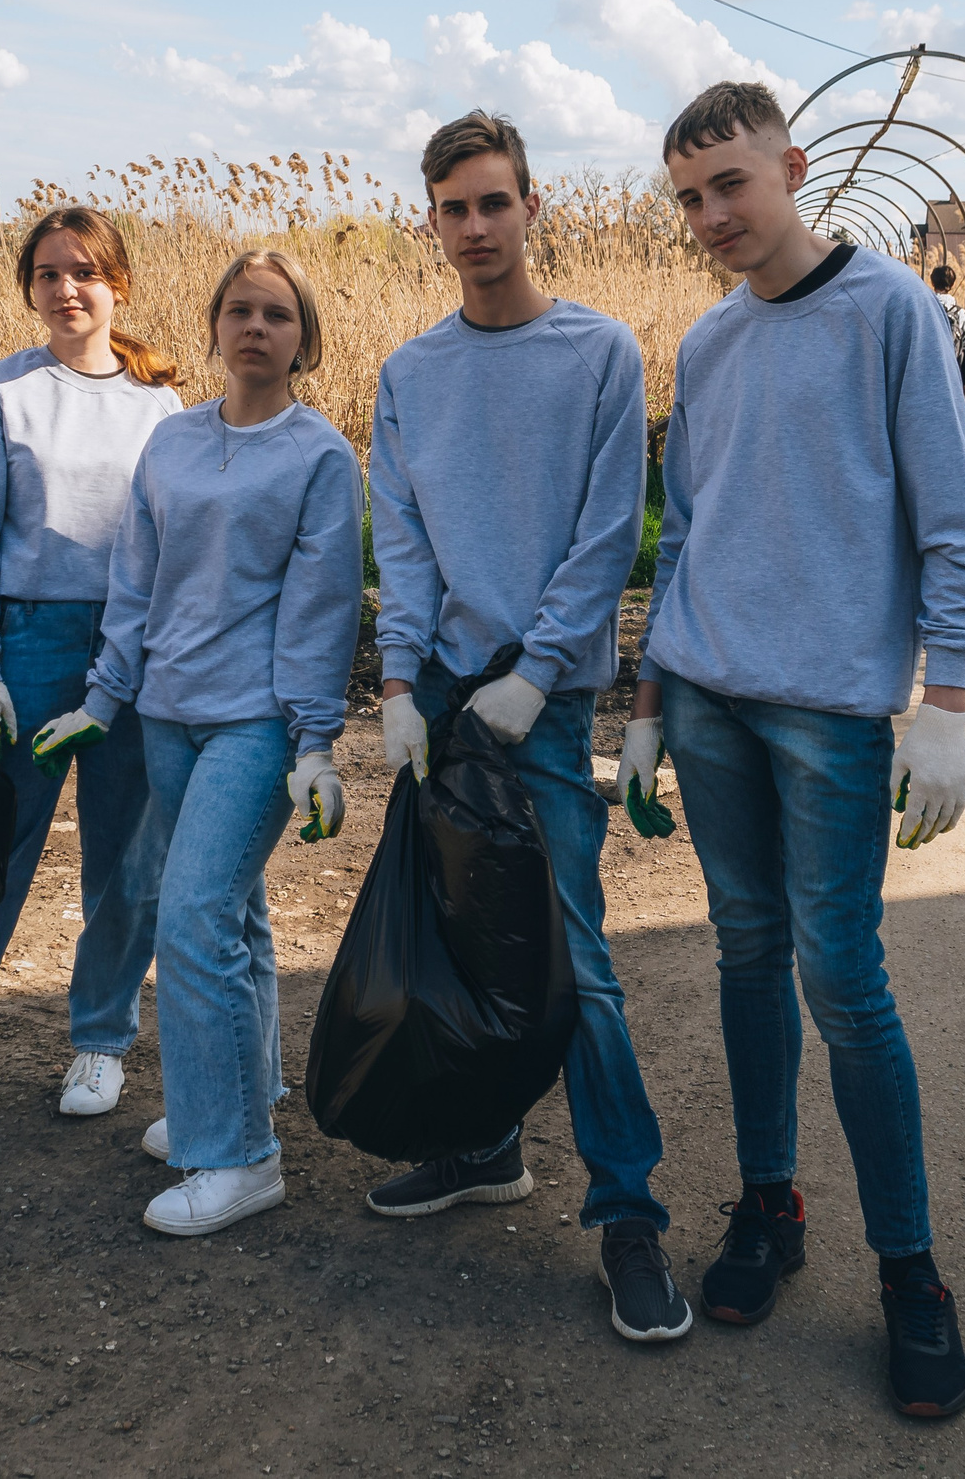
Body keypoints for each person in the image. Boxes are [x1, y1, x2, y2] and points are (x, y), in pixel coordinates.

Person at [624, 81, 965, 1415]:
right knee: (742, 950)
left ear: (789, 168)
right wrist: (653, 703)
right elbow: (685, 535)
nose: (712, 215)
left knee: (843, 978)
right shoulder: (711, 344)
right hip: (713, 698)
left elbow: (954, 525)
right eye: (688, 197)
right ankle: (771, 1204)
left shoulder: (888, 310)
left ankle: (911, 1269)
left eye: (730, 184)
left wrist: (943, 702)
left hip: (831, 713)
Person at [365, 110, 686, 1343]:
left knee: (574, 960)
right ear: (433, 219)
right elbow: (400, 535)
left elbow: (609, 529)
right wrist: (399, 684)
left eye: (494, 202)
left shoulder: (597, 354)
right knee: (457, 936)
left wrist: (542, 669)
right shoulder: (410, 373)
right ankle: (478, 1140)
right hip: (445, 691)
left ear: (530, 207)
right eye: (454, 208)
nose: (475, 227)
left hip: (536, 705)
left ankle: (627, 1214)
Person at [31, 250, 362, 1238]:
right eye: (238, 311)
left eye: (277, 314)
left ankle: (238, 1159)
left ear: (302, 337)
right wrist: (104, 697)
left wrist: (313, 742)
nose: (255, 327)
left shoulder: (319, 456)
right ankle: (240, 1097)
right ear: (213, 327)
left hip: (254, 724)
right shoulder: (171, 443)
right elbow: (135, 584)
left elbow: (321, 608)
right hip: (166, 715)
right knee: (237, 915)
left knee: (192, 916)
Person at [0, 208, 183, 1131]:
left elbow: (169, 540)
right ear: (30, 288)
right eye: (49, 274)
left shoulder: (158, 404)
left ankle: (100, 1038)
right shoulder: (0, 393)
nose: (67, 289)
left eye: (85, 273)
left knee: (126, 863)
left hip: (131, 646)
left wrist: (138, 655)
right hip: (28, 643)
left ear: (117, 284)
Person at [930, 263, 965, 384]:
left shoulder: (924, 309)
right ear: (951, 285)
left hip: (927, 376)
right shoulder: (960, 313)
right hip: (952, 378)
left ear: (933, 283)